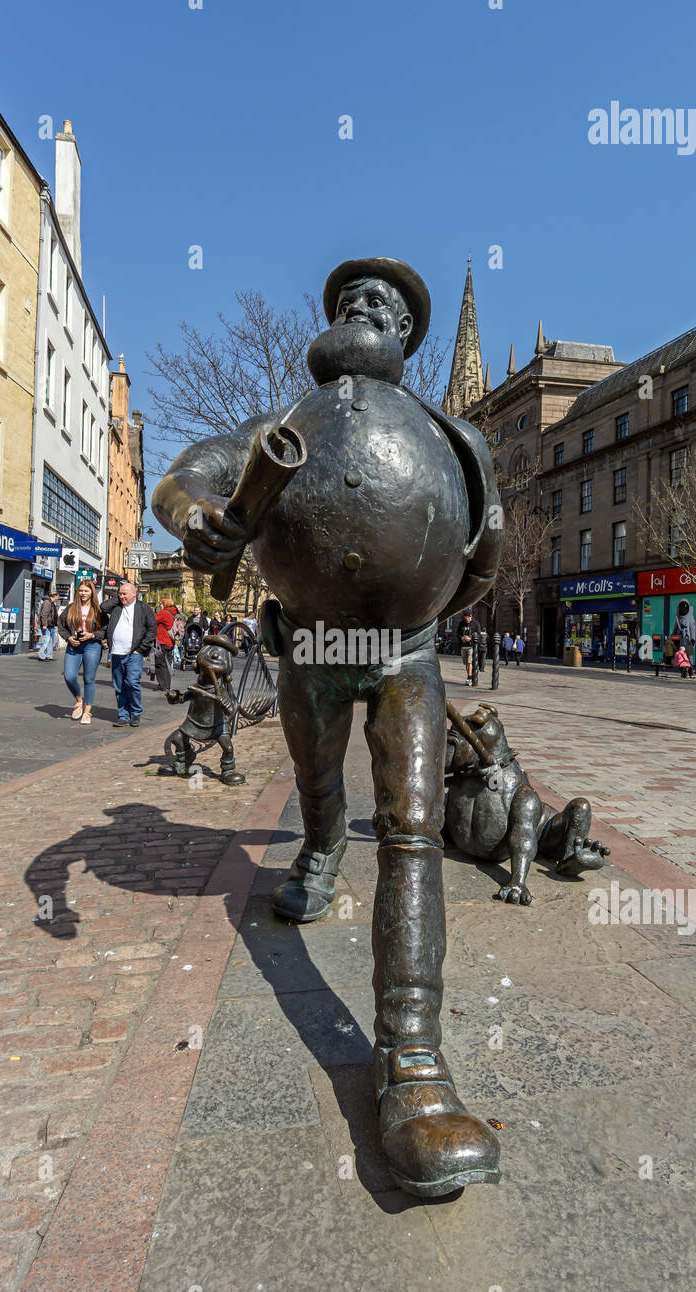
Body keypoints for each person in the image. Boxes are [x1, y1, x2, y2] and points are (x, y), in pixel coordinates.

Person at [152, 254, 504, 1198]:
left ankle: (414, 1064)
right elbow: (190, 475)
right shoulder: (281, 428)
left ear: (408, 340)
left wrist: (428, 604)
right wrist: (200, 516)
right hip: (310, 644)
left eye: (385, 305)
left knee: (412, 830)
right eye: (352, 298)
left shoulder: (454, 435)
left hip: (404, 652)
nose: (366, 306)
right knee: (320, 795)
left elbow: (486, 550)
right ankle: (314, 858)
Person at [103, 580, 157, 726]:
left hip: (134, 653)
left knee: (132, 682)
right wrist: (118, 596)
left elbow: (152, 630)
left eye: (124, 594)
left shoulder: (143, 608)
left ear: (135, 594)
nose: (121, 596)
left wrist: (140, 650)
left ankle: (136, 712)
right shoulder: (117, 607)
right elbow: (103, 607)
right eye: (119, 594)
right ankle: (123, 715)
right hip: (116, 652)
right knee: (119, 685)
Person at [58, 578, 106, 724]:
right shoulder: (71, 607)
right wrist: (68, 638)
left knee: (89, 679)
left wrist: (93, 635)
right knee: (69, 676)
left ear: (92, 592)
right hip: (75, 645)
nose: (83, 593)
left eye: (86, 590)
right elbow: (61, 625)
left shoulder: (98, 610)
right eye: (81, 591)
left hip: (92, 645)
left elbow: (105, 629)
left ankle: (87, 712)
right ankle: (80, 700)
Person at [154, 595, 181, 691]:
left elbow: (152, 620)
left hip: (163, 641)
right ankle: (167, 685)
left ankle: (162, 685)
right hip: (170, 642)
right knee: (167, 663)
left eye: (161, 603)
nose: (160, 605)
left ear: (165, 604)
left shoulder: (164, 613)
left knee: (160, 664)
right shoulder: (173, 613)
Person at [456, 609, 481, 686]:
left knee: (470, 662)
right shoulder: (461, 623)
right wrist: (461, 638)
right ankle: (471, 676)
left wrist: (471, 639)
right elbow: (457, 634)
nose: (466, 619)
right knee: (466, 663)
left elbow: (479, 635)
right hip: (463, 646)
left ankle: (469, 677)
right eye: (465, 617)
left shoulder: (476, 624)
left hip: (471, 646)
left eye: (467, 617)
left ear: (470, 616)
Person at [37, 587, 59, 661]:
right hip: (46, 625)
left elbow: (53, 615)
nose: (58, 597)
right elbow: (44, 614)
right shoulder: (47, 603)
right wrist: (44, 624)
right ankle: (41, 655)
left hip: (51, 625)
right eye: (57, 596)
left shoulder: (52, 603)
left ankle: (48, 655)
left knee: (52, 640)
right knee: (46, 640)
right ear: (54, 596)